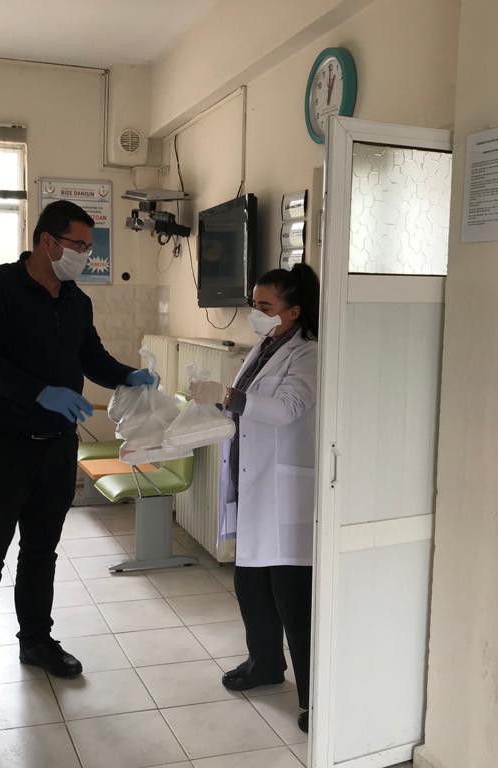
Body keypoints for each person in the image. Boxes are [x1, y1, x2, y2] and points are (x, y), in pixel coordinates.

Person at [0, 199, 156, 708]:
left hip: (57, 447)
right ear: (47, 241)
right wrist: (38, 392)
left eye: (89, 246)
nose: (86, 255)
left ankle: (36, 641)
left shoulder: (76, 301)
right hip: (2, 445)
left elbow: (91, 357)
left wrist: (127, 375)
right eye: (78, 245)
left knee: (41, 551)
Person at [190, 263, 320, 734]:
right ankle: (265, 663)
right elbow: (244, 403)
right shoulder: (266, 347)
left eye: (265, 306)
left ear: (293, 312)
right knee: (250, 585)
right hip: (253, 481)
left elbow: (286, 409)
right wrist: (216, 400)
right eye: (254, 303)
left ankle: (314, 699)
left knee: (291, 598)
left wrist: (228, 396)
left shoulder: (310, 353)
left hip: (283, 492)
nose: (255, 313)